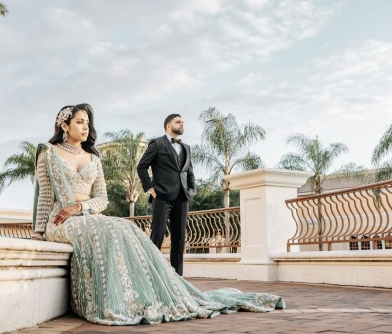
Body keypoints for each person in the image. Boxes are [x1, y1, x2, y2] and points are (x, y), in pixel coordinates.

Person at [31, 103, 285, 326]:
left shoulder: (93, 158)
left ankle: (151, 290)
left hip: (88, 213)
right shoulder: (49, 153)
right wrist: (39, 232)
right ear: (64, 124)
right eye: (79, 122)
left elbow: (102, 199)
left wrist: (81, 207)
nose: (85, 127)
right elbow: (43, 196)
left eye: (87, 122)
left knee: (126, 228)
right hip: (61, 218)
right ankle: (114, 299)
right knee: (117, 230)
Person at [136, 114, 194, 276]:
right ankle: (151, 275)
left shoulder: (187, 148)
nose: (182, 124)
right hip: (161, 196)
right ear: (168, 126)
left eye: (183, 121)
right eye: (178, 122)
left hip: (182, 197)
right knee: (158, 235)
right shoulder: (157, 143)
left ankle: (177, 278)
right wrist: (150, 189)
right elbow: (141, 167)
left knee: (179, 237)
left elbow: (190, 173)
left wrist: (191, 190)